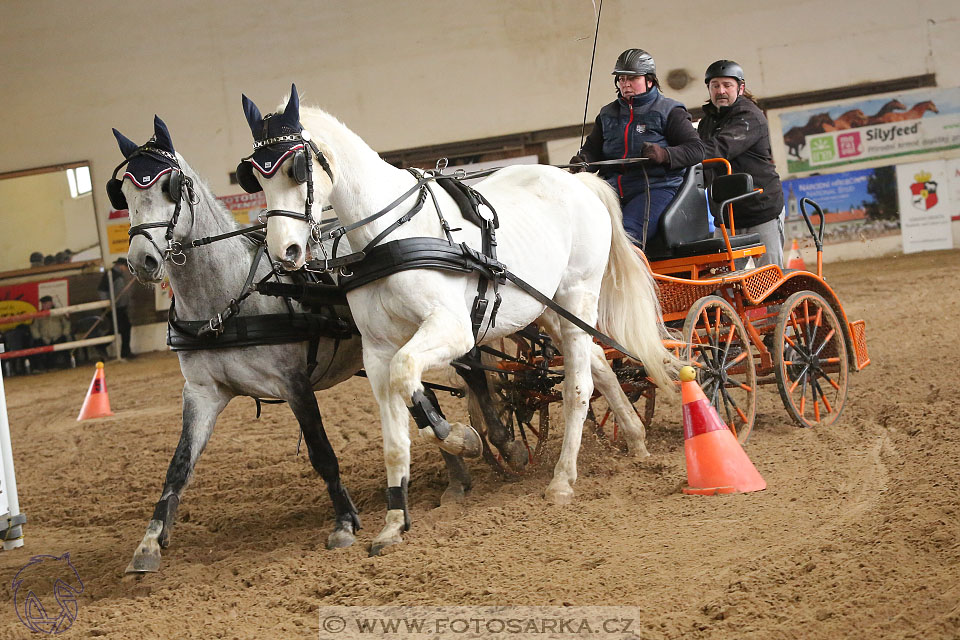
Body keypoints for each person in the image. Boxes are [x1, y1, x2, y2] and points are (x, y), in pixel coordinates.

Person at [571, 48, 705, 248]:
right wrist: (583, 161)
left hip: (656, 188)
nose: (625, 84)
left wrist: (664, 154)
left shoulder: (670, 110)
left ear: (649, 80)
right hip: (613, 191)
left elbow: (696, 150)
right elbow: (592, 150)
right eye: (621, 79)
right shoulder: (607, 114)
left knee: (627, 236)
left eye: (632, 78)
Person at [698, 60, 785, 268]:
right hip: (727, 216)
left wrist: (675, 156)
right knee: (721, 279)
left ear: (740, 87)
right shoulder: (705, 123)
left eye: (727, 85)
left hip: (762, 211)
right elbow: (703, 166)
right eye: (715, 85)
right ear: (709, 89)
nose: (721, 91)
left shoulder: (750, 116)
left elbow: (719, 149)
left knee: (770, 276)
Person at [98, 257, 135, 359]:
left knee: (123, 328)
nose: (126, 269)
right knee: (119, 328)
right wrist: (107, 305)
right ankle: (101, 345)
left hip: (119, 307)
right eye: (125, 267)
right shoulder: (111, 275)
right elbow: (102, 291)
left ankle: (125, 351)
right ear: (121, 265)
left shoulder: (115, 275)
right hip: (115, 308)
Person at [29, 295, 72, 370]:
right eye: (43, 304)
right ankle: (40, 367)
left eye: (47, 303)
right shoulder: (38, 315)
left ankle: (66, 364)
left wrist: (65, 334)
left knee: (64, 344)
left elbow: (66, 323)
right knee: (37, 347)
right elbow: (34, 327)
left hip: (58, 337)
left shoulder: (59, 312)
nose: (45, 305)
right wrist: (38, 337)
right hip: (44, 338)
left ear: (51, 303)